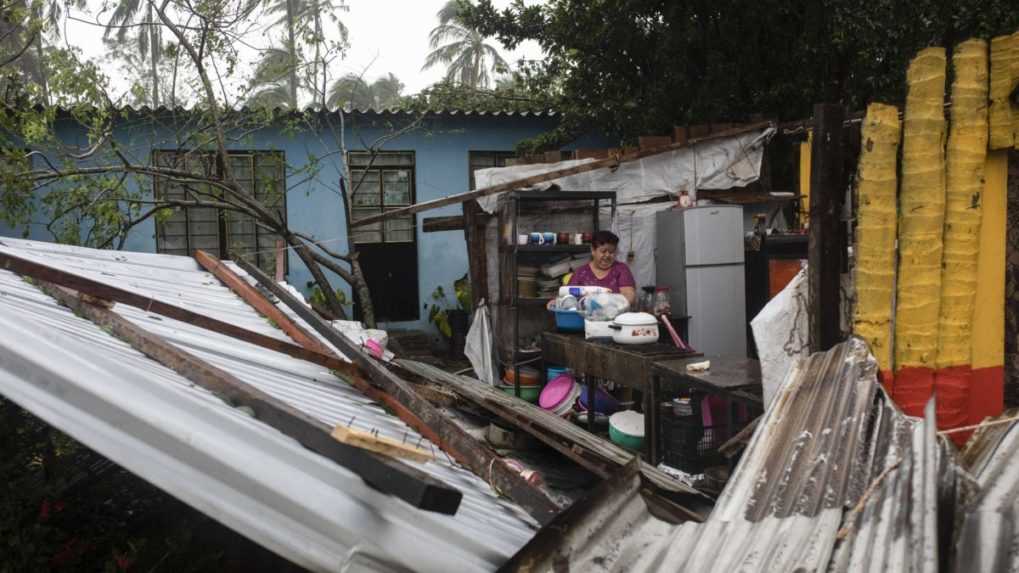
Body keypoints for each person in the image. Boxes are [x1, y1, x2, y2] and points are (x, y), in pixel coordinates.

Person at [553, 230, 637, 307]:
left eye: (611, 252)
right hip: (586, 319)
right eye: (603, 251)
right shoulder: (581, 273)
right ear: (593, 250)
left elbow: (628, 296)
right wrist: (557, 302)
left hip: (615, 319)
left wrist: (609, 306)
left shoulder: (621, 269)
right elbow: (568, 297)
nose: (607, 255)